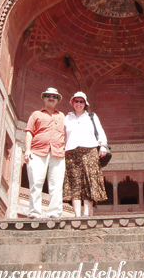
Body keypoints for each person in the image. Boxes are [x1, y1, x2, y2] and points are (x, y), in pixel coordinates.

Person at [63, 91, 108, 217]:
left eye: (81, 101)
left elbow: (100, 131)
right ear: (72, 103)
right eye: (76, 101)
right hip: (72, 153)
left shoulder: (91, 117)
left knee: (89, 182)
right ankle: (77, 214)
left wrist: (103, 145)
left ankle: (86, 214)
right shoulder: (67, 118)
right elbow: (63, 136)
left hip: (89, 151)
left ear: (85, 103)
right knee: (75, 183)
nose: (78, 104)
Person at [24, 87, 65, 219]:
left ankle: (54, 212)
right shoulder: (36, 114)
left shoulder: (62, 116)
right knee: (36, 182)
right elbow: (29, 131)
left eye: (54, 96)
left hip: (57, 152)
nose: (51, 98)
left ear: (57, 100)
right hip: (37, 151)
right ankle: (34, 212)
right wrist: (27, 150)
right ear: (44, 98)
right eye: (48, 96)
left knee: (56, 184)